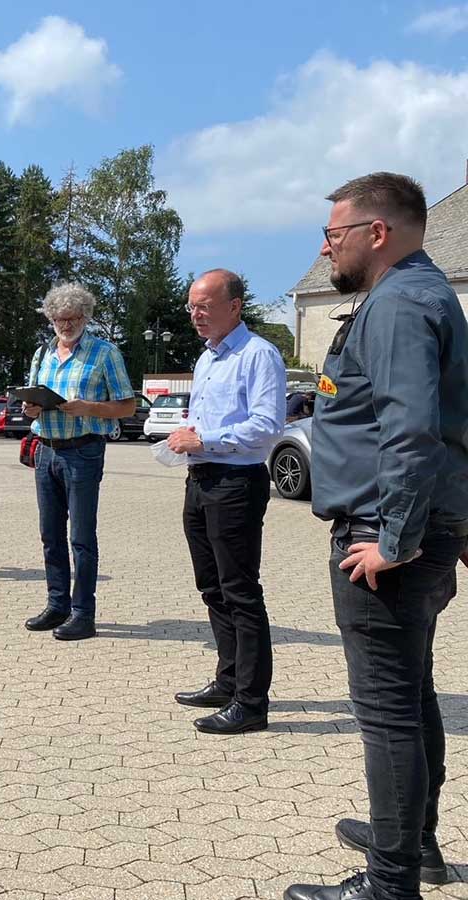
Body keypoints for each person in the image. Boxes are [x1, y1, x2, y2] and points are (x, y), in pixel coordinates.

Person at [285, 173, 468, 900]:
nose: (327, 247)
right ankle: (412, 840)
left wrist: (394, 537)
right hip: (419, 530)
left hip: (388, 540)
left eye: (335, 234)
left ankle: (391, 884)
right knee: (411, 696)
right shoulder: (422, 295)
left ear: (377, 232)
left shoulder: (397, 304)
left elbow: (414, 432)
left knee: (388, 716)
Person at [165, 269, 286, 736]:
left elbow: (266, 425)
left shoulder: (258, 355)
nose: (196, 314)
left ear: (234, 306)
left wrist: (203, 437)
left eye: (205, 305)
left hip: (237, 484)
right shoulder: (207, 358)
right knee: (211, 587)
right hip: (201, 480)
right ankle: (229, 680)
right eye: (192, 306)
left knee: (240, 591)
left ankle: (252, 703)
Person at [22, 283, 135, 641]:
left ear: (85, 316)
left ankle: (84, 613)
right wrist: (31, 407)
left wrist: (89, 408)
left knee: (81, 537)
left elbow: (127, 406)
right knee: (49, 534)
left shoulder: (105, 353)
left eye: (72, 318)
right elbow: (31, 398)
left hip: (84, 450)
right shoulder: (42, 353)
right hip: (46, 449)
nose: (65, 324)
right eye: (59, 318)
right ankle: (57, 604)